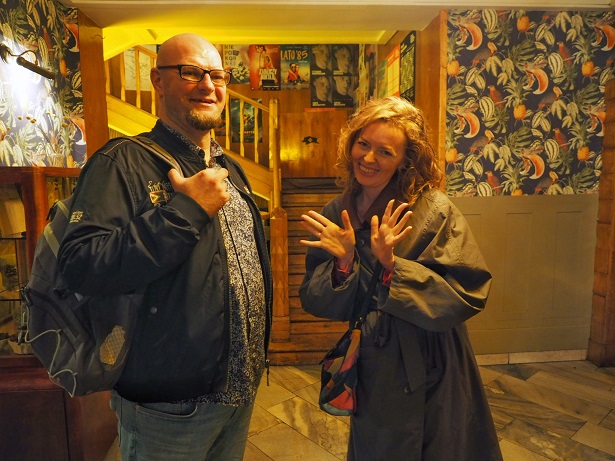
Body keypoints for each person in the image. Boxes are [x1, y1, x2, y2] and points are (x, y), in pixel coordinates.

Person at [58, 33, 273, 460]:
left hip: (239, 391)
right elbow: (81, 264)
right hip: (168, 408)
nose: (208, 85)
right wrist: (186, 211)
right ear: (158, 80)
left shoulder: (230, 169)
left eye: (217, 76)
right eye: (191, 72)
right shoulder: (122, 161)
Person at [298, 97, 502, 461]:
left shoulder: (432, 209)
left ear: (406, 160)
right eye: (363, 144)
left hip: (433, 361)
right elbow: (315, 299)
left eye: (385, 152)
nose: (368, 158)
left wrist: (393, 266)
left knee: (441, 447)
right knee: (379, 446)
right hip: (375, 363)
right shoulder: (338, 212)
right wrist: (344, 262)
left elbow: (468, 291)